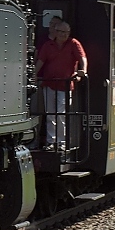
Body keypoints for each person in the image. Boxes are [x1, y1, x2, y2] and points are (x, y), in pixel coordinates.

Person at [35, 19, 87, 150]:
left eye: (67, 32)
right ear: (56, 32)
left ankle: (61, 142)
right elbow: (40, 61)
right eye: (62, 32)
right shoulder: (48, 46)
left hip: (65, 85)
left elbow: (82, 58)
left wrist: (83, 70)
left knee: (61, 113)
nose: (64, 35)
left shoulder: (74, 44)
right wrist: (33, 75)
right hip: (49, 83)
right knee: (50, 114)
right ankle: (51, 142)